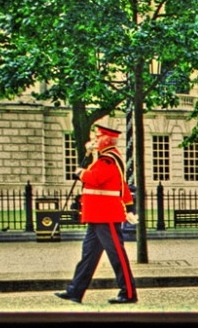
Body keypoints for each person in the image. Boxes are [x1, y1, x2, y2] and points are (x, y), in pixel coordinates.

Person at [54, 125, 138, 305]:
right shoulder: (102, 158)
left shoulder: (109, 159)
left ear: (107, 139)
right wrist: (89, 156)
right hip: (97, 215)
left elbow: (95, 178)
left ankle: (129, 293)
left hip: (106, 214)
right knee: (89, 255)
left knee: (117, 255)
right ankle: (75, 290)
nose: (95, 140)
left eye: (98, 137)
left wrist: (80, 172)